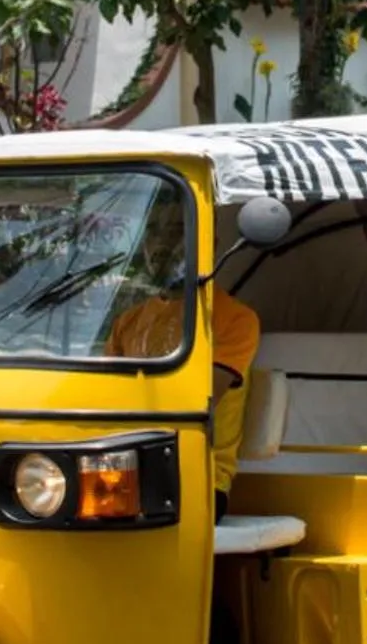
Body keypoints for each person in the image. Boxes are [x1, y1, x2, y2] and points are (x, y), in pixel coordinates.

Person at [105, 193, 259, 521]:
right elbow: (102, 400)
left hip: (197, 480)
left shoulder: (234, 319)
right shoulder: (126, 321)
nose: (161, 244)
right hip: (121, 470)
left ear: (209, 244)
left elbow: (195, 403)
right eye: (153, 232)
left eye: (177, 231)